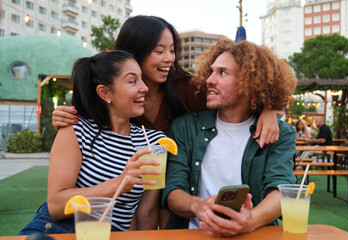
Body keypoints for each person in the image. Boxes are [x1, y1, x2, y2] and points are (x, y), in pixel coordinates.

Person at [50, 15, 280, 229]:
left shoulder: (188, 89)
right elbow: (58, 201)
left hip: (161, 190)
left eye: (172, 50)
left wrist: (267, 109)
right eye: (159, 51)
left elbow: (239, 91)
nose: (169, 58)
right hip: (79, 223)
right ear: (134, 54)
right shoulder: (89, 120)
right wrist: (66, 117)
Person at [19, 50, 165, 235]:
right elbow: (56, 205)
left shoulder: (153, 142)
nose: (144, 87)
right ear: (104, 92)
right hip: (63, 230)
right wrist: (119, 183)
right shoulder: (75, 130)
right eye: (133, 81)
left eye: (142, 79)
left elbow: (147, 211)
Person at [161, 39, 297, 236]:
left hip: (254, 235)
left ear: (248, 83)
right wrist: (199, 206)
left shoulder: (280, 133)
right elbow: (173, 190)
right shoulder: (185, 126)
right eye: (211, 71)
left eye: (222, 72)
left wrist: (250, 220)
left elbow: (281, 188)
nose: (209, 80)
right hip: (194, 233)